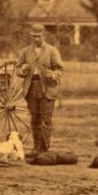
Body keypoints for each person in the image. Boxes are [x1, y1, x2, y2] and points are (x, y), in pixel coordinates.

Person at [16, 24, 64, 153]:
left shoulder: (52, 51)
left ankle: (45, 146)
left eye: (38, 36)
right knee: (34, 118)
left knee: (46, 118)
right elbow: (17, 69)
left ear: (44, 36)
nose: (36, 39)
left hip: (47, 88)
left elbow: (60, 68)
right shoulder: (25, 51)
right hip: (31, 88)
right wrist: (22, 70)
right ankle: (36, 147)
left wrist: (53, 75)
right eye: (33, 36)